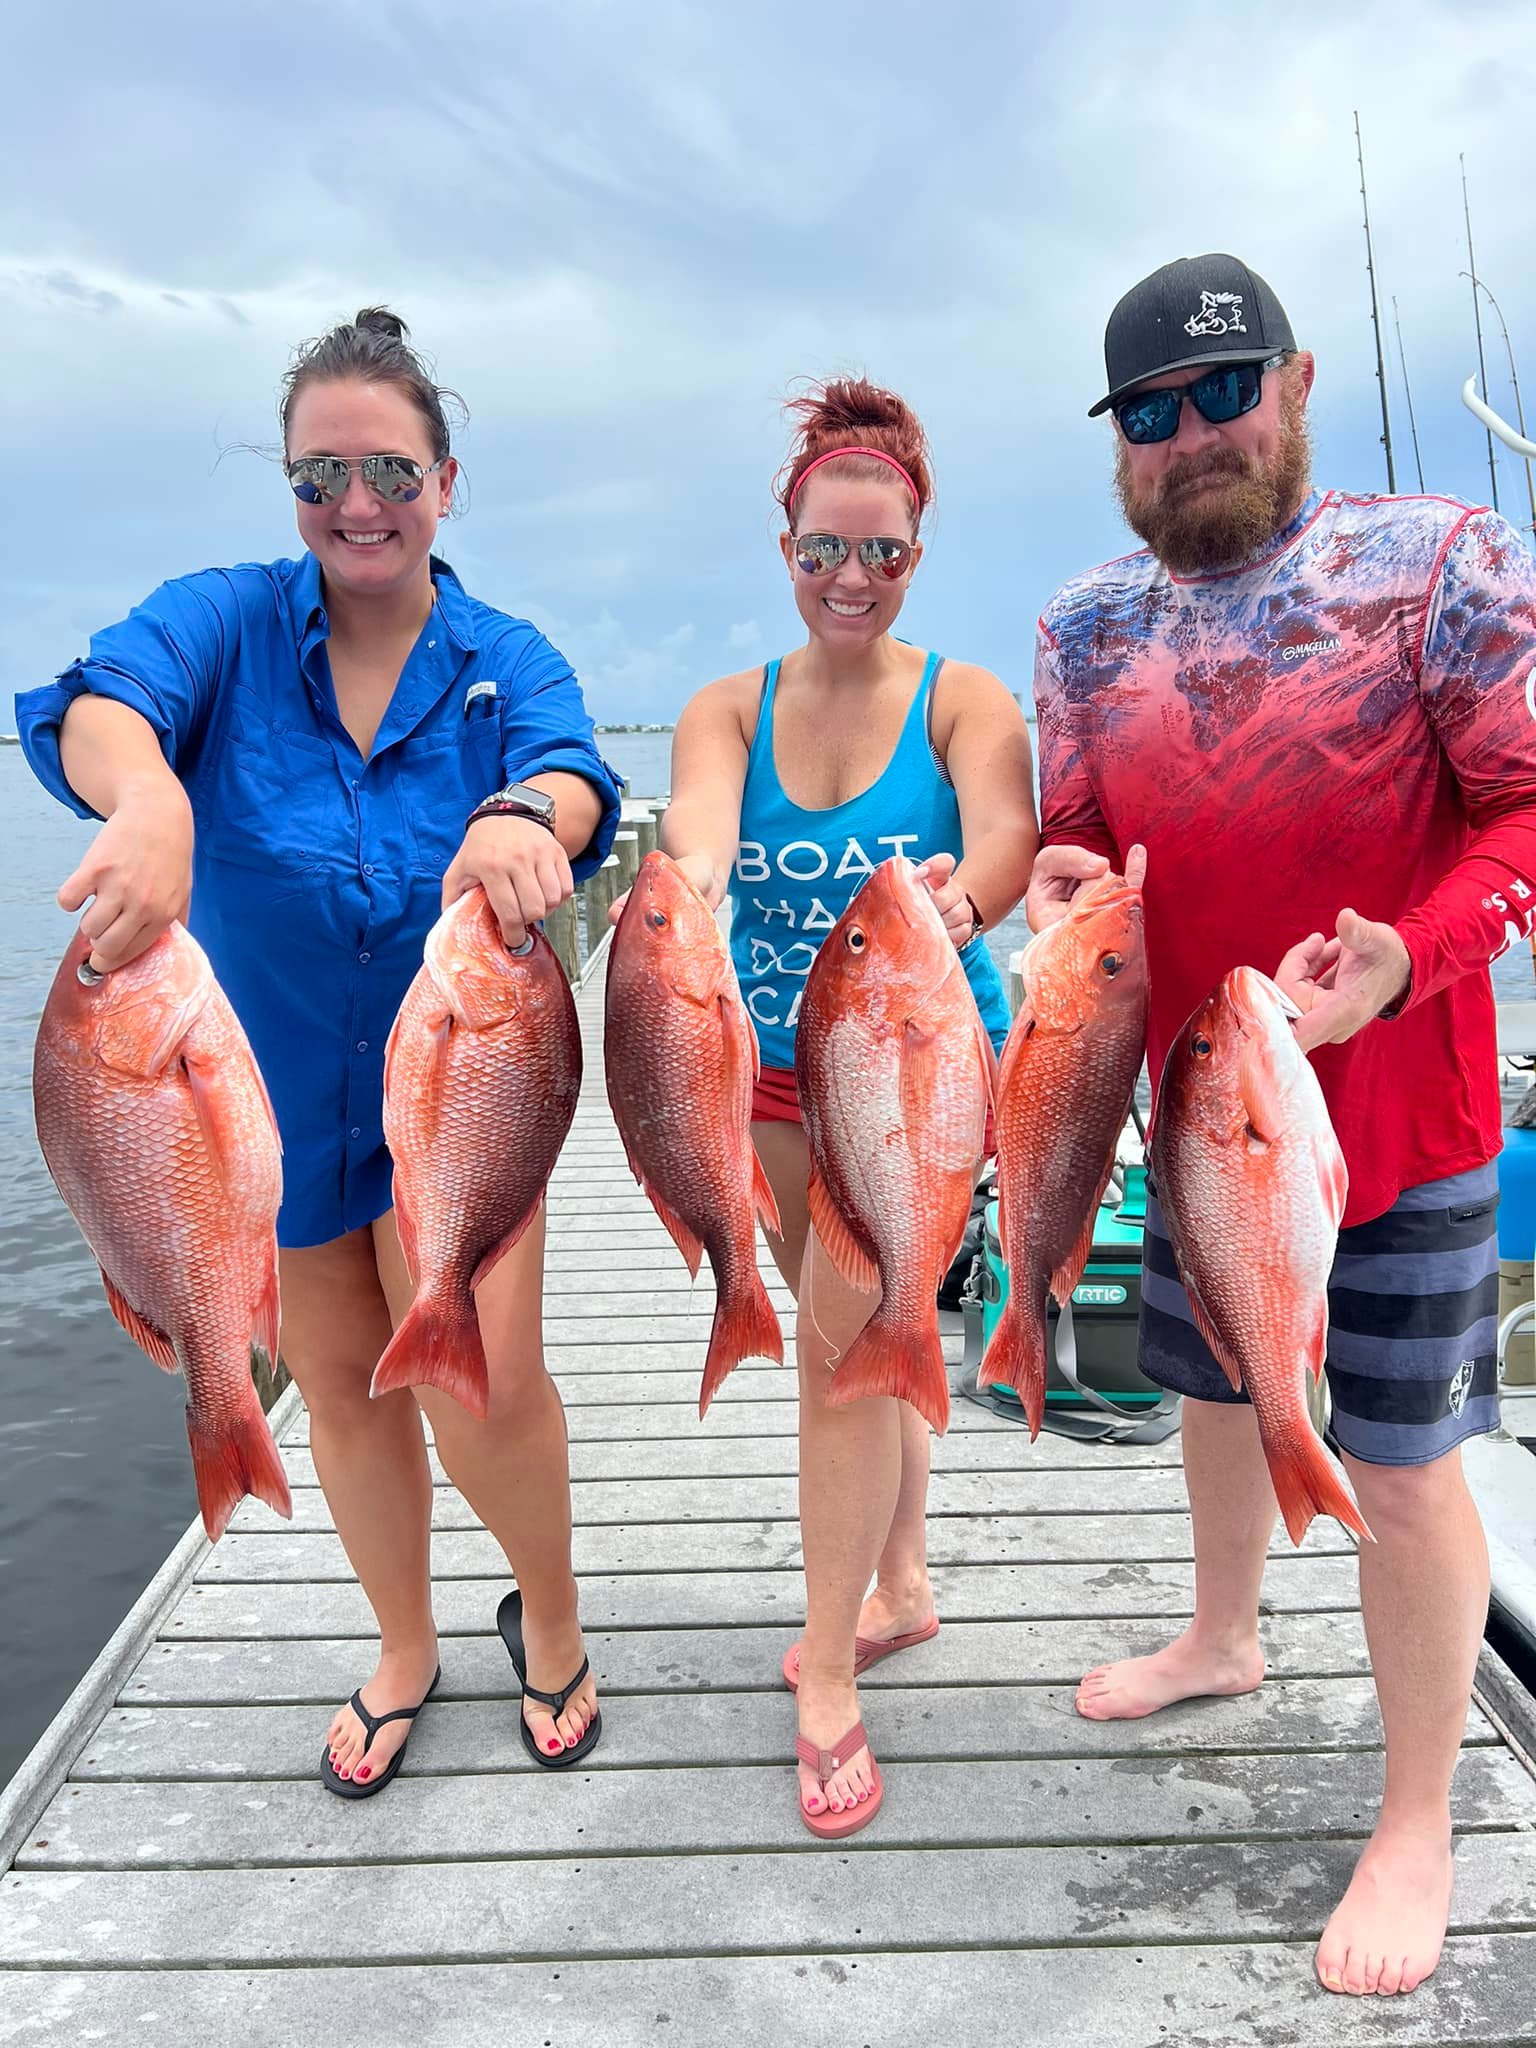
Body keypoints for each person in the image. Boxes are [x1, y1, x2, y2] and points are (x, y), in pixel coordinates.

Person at [16, 308, 622, 1794]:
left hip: (461, 1095)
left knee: (482, 1384)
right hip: (259, 1112)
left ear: (447, 481)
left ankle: (550, 1617)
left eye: (393, 473)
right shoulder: (223, 622)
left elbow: (575, 775)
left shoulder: (501, 658)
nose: (358, 504)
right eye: (320, 474)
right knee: (342, 1391)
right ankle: (404, 1644)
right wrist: (146, 793)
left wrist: (525, 823)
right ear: (290, 486)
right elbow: (98, 705)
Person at [1029, 253, 1536, 1995]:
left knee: (1399, 1465)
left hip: (1401, 1115)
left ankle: (1415, 1821)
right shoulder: (1084, 626)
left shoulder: (1446, 566)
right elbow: (1079, 832)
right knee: (1220, 1384)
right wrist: (1066, 883)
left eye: (1222, 393)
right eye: (1150, 417)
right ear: (1120, 446)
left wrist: (1418, 955)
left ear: (1298, 383)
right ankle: (1228, 1632)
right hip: (1198, 1105)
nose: (1190, 438)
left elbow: (1530, 810)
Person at [649, 377, 1037, 1834]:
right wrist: (684, 886)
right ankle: (906, 1578)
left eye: (880, 553)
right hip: (768, 1072)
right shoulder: (728, 705)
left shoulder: (963, 698)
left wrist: (972, 891)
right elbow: (694, 826)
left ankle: (829, 1673)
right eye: (823, 551)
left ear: (917, 552)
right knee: (874, 1339)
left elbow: (1007, 828)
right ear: (787, 546)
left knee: (839, 1351)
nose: (851, 580)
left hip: (922, 1073)